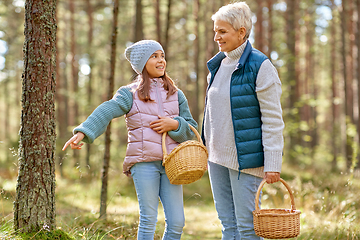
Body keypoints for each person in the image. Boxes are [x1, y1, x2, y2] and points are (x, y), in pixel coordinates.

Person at [62, 40, 197, 240]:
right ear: (143, 63)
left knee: (177, 222)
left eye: (162, 55)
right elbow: (106, 110)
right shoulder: (130, 94)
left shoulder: (176, 94)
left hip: (172, 165)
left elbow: (191, 130)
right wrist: (83, 131)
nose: (161, 61)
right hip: (144, 164)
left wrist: (175, 125)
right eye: (154, 56)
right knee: (149, 219)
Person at [201, 2, 285, 239]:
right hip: (215, 159)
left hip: (246, 161)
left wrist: (273, 163)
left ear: (241, 32)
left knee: (247, 228)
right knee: (228, 224)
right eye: (215, 31)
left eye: (223, 31)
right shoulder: (217, 65)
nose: (217, 37)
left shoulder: (260, 66)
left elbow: (273, 120)